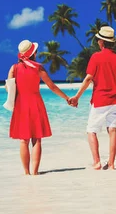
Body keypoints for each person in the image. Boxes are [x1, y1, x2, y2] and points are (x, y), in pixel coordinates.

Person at [8, 40, 72, 175]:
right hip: (36, 103)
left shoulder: (14, 68)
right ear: (33, 53)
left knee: (23, 140)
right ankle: (35, 172)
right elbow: (52, 86)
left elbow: (9, 88)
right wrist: (66, 98)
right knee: (37, 139)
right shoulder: (38, 68)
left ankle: (26, 172)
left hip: (21, 104)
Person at [69, 26, 116, 170]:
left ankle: (96, 162)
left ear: (101, 42)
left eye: (98, 40)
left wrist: (77, 97)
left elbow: (89, 78)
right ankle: (112, 163)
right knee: (112, 129)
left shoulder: (96, 57)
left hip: (99, 100)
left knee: (91, 130)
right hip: (115, 100)